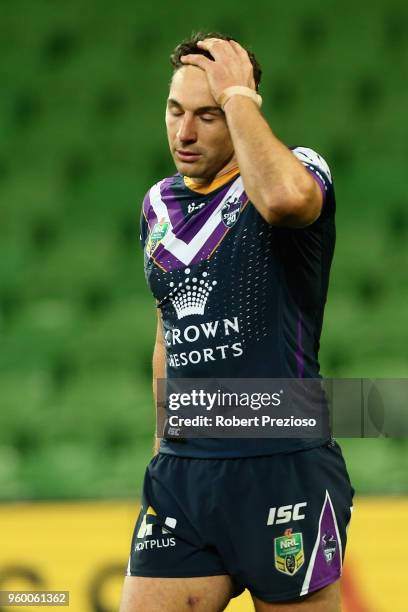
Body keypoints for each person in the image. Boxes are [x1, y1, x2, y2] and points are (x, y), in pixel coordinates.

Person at [120, 32, 354, 612]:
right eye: (175, 112)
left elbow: (283, 201)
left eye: (208, 114)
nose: (185, 133)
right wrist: (162, 449)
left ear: (240, 109)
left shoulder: (297, 170)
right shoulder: (158, 205)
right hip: (185, 474)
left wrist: (239, 98)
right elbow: (166, 333)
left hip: (282, 467)